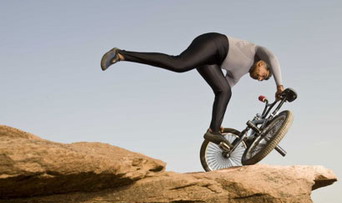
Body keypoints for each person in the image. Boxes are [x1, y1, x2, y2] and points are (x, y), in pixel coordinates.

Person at [101, 32, 284, 146]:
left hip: (211, 60)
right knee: (179, 64)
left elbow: (223, 92)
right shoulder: (258, 52)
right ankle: (121, 54)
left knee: (225, 91)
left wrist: (218, 119)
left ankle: (213, 131)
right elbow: (273, 57)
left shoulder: (239, 73)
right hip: (214, 42)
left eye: (262, 80)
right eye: (263, 75)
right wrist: (279, 86)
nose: (259, 78)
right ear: (263, 65)